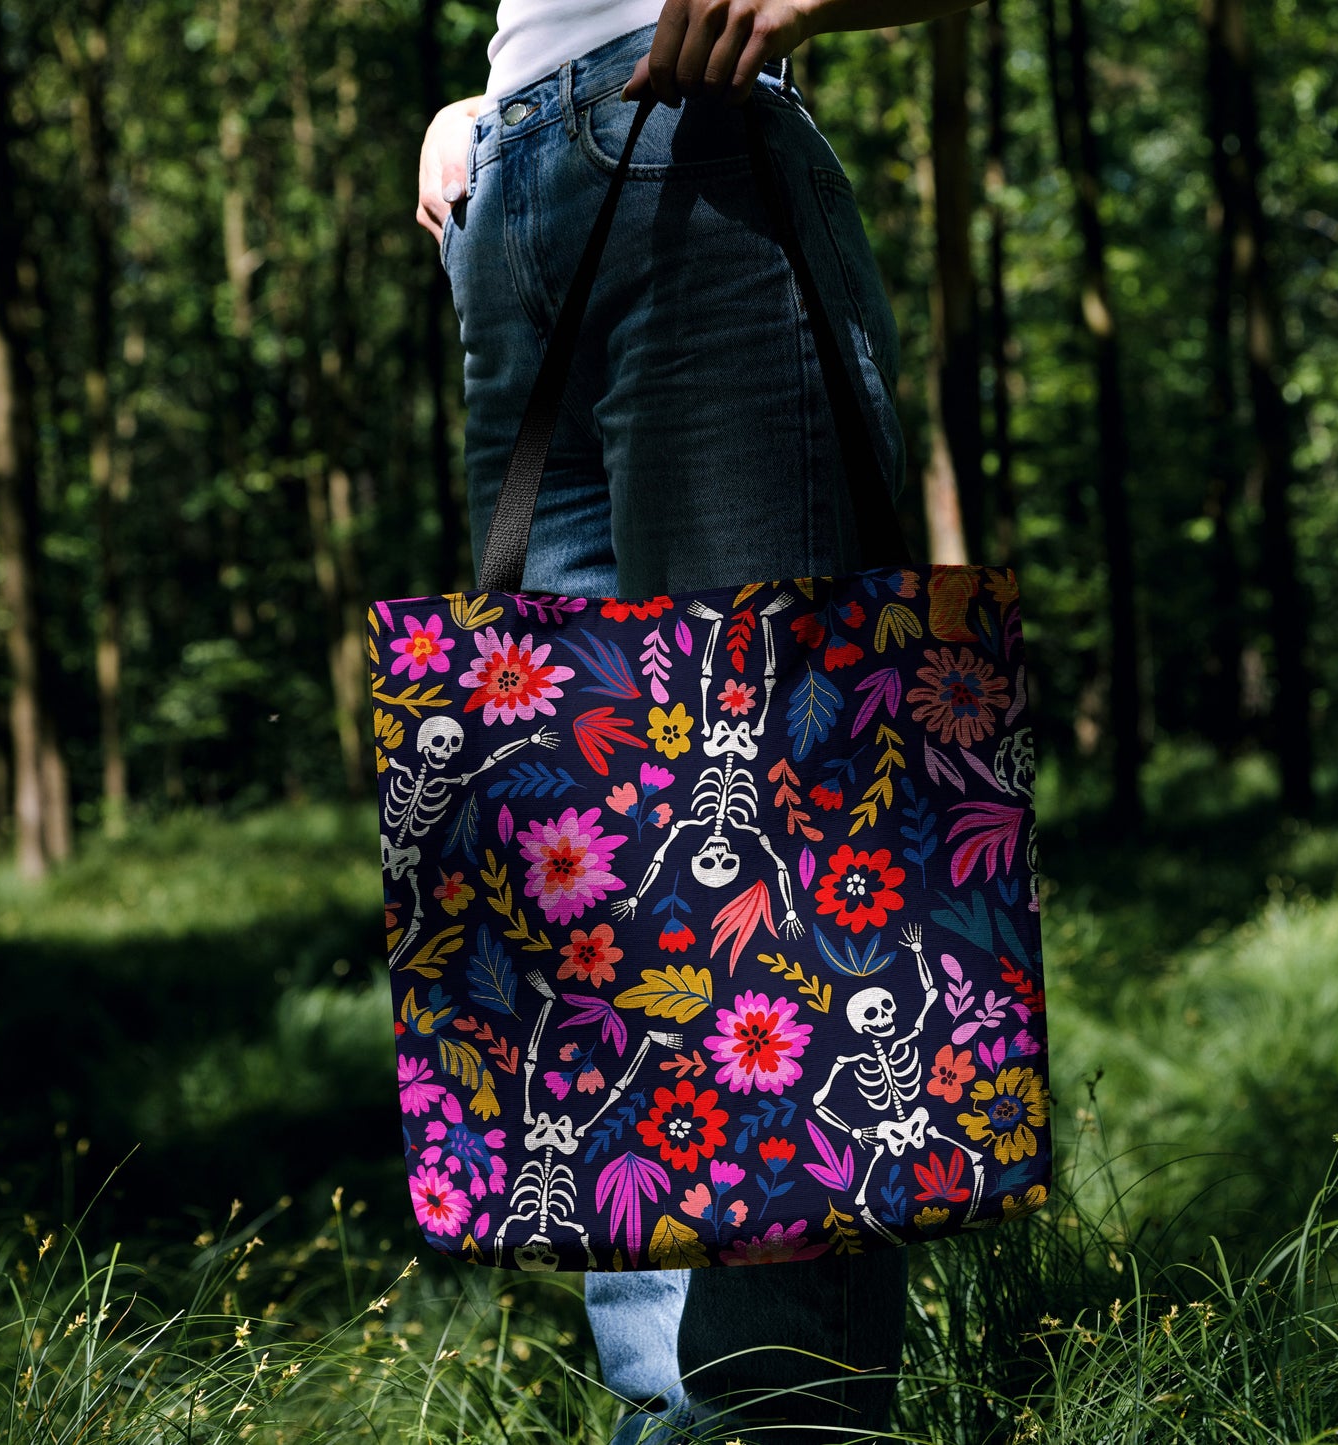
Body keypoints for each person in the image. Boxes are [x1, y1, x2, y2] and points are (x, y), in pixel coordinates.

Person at [415, 3, 977, 1439]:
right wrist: (495, 93)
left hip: (706, 154)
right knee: (591, 853)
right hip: (511, 185)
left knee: (779, 813)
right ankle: (668, 1404)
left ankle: (783, 1406)